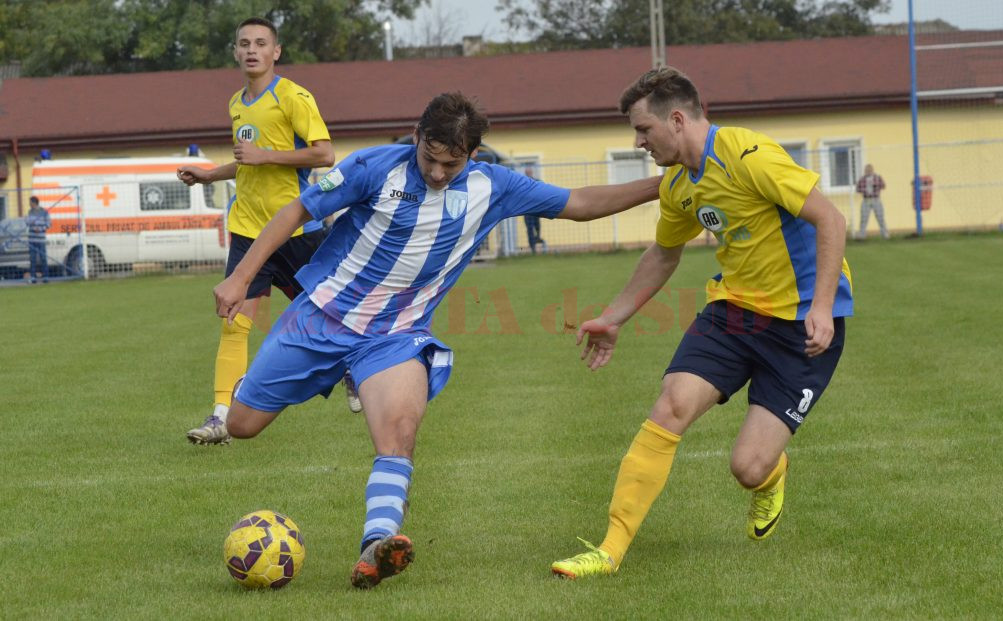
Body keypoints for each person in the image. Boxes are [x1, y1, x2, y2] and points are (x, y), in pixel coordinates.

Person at [213, 92, 661, 589]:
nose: (439, 172)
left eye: (454, 162)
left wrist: (665, 185)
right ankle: (324, 377)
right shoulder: (372, 168)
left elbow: (580, 204)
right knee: (243, 424)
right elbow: (296, 211)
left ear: (473, 154)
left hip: (396, 335)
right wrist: (241, 277)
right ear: (415, 137)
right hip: (318, 319)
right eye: (430, 158)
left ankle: (376, 545)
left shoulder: (495, 186)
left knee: (399, 433)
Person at [550, 67, 853, 579]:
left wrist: (822, 307)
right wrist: (613, 317)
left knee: (748, 467)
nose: (638, 141)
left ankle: (771, 474)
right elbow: (664, 254)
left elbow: (830, 219)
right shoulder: (679, 184)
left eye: (643, 130)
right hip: (734, 313)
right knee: (670, 406)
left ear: (675, 119)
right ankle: (609, 550)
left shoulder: (746, 155)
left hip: (801, 326)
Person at [177, 16, 345, 445]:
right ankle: (220, 416)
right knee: (234, 323)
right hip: (249, 230)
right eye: (244, 43)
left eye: (260, 43)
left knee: (330, 318)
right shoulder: (237, 102)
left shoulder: (293, 96)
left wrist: (266, 154)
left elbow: (324, 154)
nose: (251, 49)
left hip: (293, 230)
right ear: (235, 52)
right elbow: (247, 161)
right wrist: (209, 175)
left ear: (276, 52)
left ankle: (354, 370)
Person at [855, 164, 888, 239]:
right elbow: (857, 189)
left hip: (876, 199)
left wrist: (876, 186)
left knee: (880, 217)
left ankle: (885, 235)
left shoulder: (878, 177)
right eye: (867, 170)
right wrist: (864, 191)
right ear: (865, 171)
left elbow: (883, 186)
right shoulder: (862, 179)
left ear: (872, 170)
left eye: (870, 170)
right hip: (866, 200)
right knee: (863, 218)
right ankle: (862, 235)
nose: (868, 171)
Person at [521, 165, 546, 253]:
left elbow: (543, 190)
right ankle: (532, 247)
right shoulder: (522, 183)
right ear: (525, 173)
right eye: (527, 172)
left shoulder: (537, 182)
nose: (528, 173)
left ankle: (538, 238)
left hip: (536, 209)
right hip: (527, 211)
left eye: (529, 171)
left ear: (532, 172)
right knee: (529, 228)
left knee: (537, 226)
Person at [26, 196, 50, 283]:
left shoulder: (44, 212)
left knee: (43, 258)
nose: (29, 204)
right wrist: (29, 222)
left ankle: (46, 277)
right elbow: (27, 222)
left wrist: (39, 229)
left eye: (30, 202)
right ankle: (33, 278)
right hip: (31, 239)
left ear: (34, 203)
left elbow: (48, 224)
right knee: (32, 259)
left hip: (41, 239)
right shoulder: (30, 212)